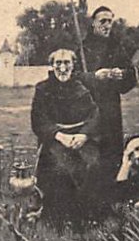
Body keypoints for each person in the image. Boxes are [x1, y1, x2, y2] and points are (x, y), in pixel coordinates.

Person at [31, 49, 101, 222]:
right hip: (54, 141)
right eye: (58, 63)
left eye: (67, 63)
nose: (62, 68)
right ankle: (56, 215)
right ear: (52, 65)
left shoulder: (82, 89)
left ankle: (86, 214)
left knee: (93, 164)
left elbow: (95, 115)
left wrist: (84, 135)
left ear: (73, 65)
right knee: (61, 168)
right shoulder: (42, 89)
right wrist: (59, 135)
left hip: (80, 139)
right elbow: (38, 120)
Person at [79, 6, 136, 190]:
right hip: (88, 109)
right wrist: (94, 77)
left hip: (111, 110)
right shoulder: (82, 48)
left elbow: (131, 77)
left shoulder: (116, 47)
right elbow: (72, 78)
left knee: (112, 153)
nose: (107, 25)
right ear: (93, 23)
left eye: (110, 21)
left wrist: (122, 74)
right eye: (102, 21)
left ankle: (112, 196)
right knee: (90, 154)